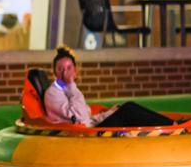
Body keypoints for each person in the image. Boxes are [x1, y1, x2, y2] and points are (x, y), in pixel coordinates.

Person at [44, 45, 173, 128]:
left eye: (69, 68)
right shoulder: (53, 93)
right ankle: (172, 125)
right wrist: (71, 84)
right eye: (60, 69)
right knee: (129, 109)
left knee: (124, 109)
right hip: (84, 136)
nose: (65, 72)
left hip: (90, 129)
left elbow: (88, 119)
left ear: (75, 70)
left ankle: (169, 124)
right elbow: (80, 120)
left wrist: (109, 114)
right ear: (54, 72)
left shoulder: (70, 90)